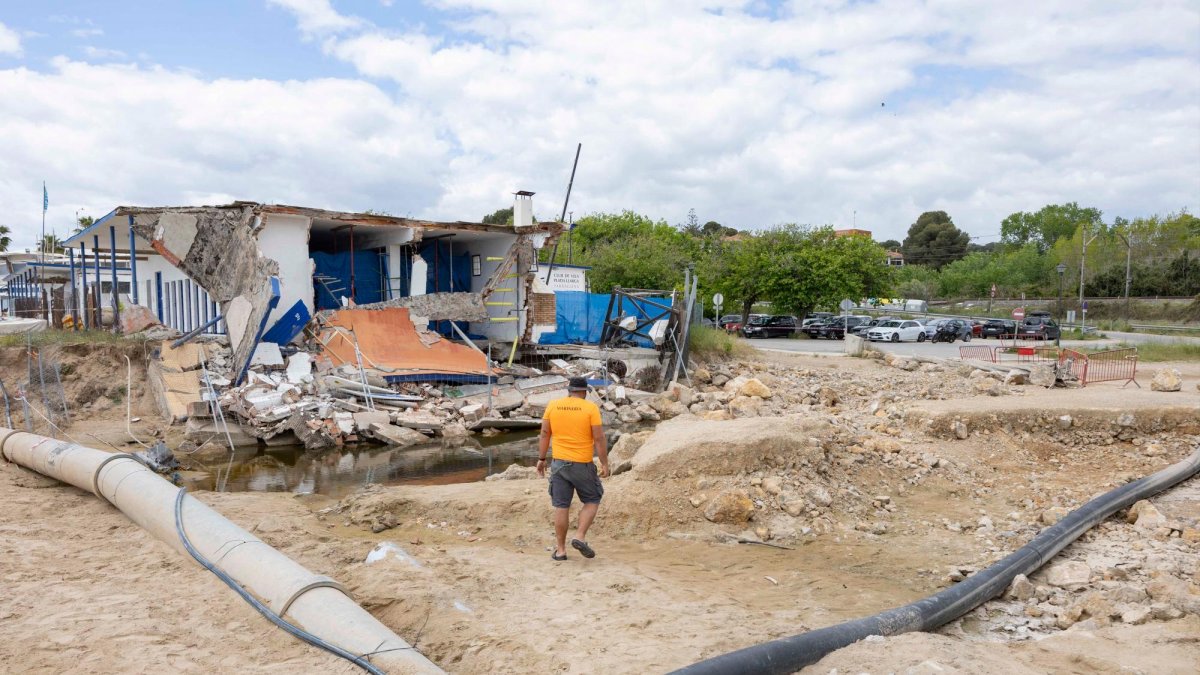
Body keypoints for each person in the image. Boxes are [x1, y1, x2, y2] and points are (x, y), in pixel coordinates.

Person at [536, 376, 609, 561]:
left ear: (569, 391)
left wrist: (541, 459)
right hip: (582, 463)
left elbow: (544, 434)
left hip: (559, 464)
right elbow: (599, 438)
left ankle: (561, 551)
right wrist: (604, 462)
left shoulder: (553, 405)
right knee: (592, 499)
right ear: (584, 392)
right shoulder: (590, 408)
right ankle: (579, 536)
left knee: (561, 506)